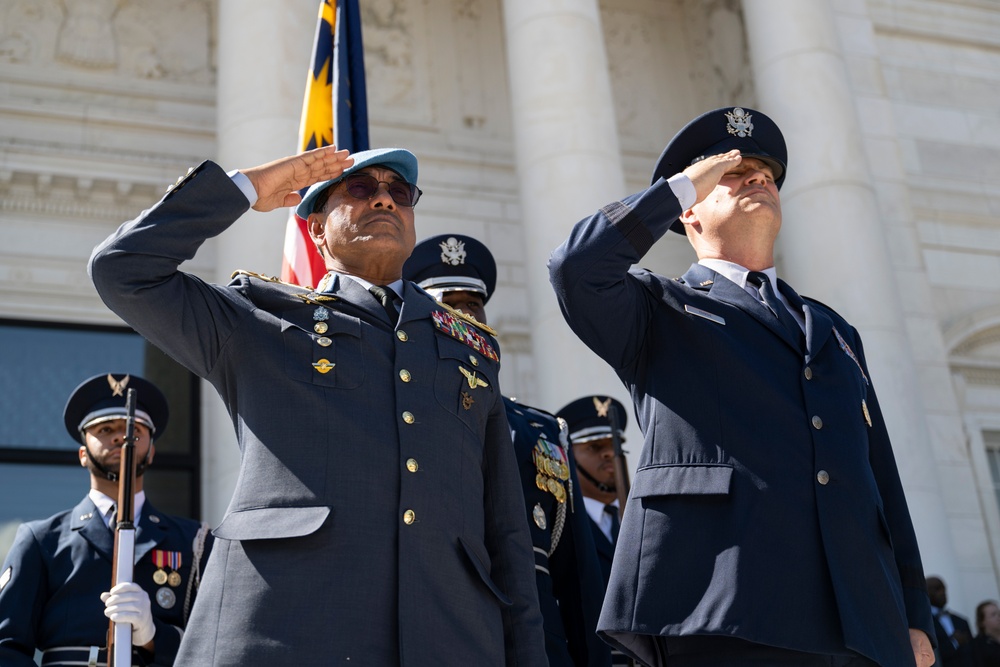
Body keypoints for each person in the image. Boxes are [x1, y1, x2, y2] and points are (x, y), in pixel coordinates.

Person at [88, 146, 546, 666]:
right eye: (359, 188)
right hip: (285, 632)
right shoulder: (258, 320)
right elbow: (122, 270)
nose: (384, 200)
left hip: (449, 640)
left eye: (400, 192)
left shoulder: (472, 352)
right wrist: (244, 189)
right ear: (316, 230)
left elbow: (507, 536)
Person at [548, 106, 936, 666]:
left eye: (765, 172)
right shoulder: (661, 309)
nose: (756, 176)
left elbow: (880, 481)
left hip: (859, 625)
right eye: (731, 172)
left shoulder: (833, 330)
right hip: (726, 611)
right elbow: (576, 269)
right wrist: (679, 185)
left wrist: (914, 616)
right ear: (689, 213)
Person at [403, 233, 610, 667]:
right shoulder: (402, 420)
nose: (464, 316)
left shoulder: (541, 431)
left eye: (473, 305)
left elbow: (577, 581)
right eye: (448, 305)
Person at [0, 373, 212, 667]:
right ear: (83, 454)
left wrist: (154, 636)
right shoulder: (42, 539)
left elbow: (217, 643)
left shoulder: (194, 541)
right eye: (105, 428)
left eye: (134, 431)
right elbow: (6, 647)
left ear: (151, 452)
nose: (120, 437)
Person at [557, 395, 634, 667]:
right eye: (594, 446)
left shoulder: (643, 519)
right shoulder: (561, 524)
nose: (608, 453)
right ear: (568, 457)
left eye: (614, 445)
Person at [928, 576, 973, 666]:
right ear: (926, 592)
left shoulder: (961, 621)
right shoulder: (925, 624)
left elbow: (973, 652)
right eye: (937, 589)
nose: (942, 592)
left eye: (943, 588)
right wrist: (954, 642)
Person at [972, 600, 1000, 667]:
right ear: (982, 622)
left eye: (999, 613)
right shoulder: (977, 646)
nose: (998, 617)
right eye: (993, 615)